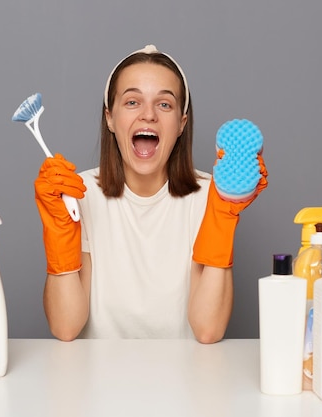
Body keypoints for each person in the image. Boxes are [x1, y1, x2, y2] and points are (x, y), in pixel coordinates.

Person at [34, 45, 267, 343]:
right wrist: (59, 232)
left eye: (165, 105)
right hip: (97, 382)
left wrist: (223, 215)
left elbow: (208, 330)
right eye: (132, 102)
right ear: (110, 118)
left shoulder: (213, 196)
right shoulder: (77, 193)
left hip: (185, 381)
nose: (148, 115)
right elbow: (66, 327)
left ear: (181, 124)